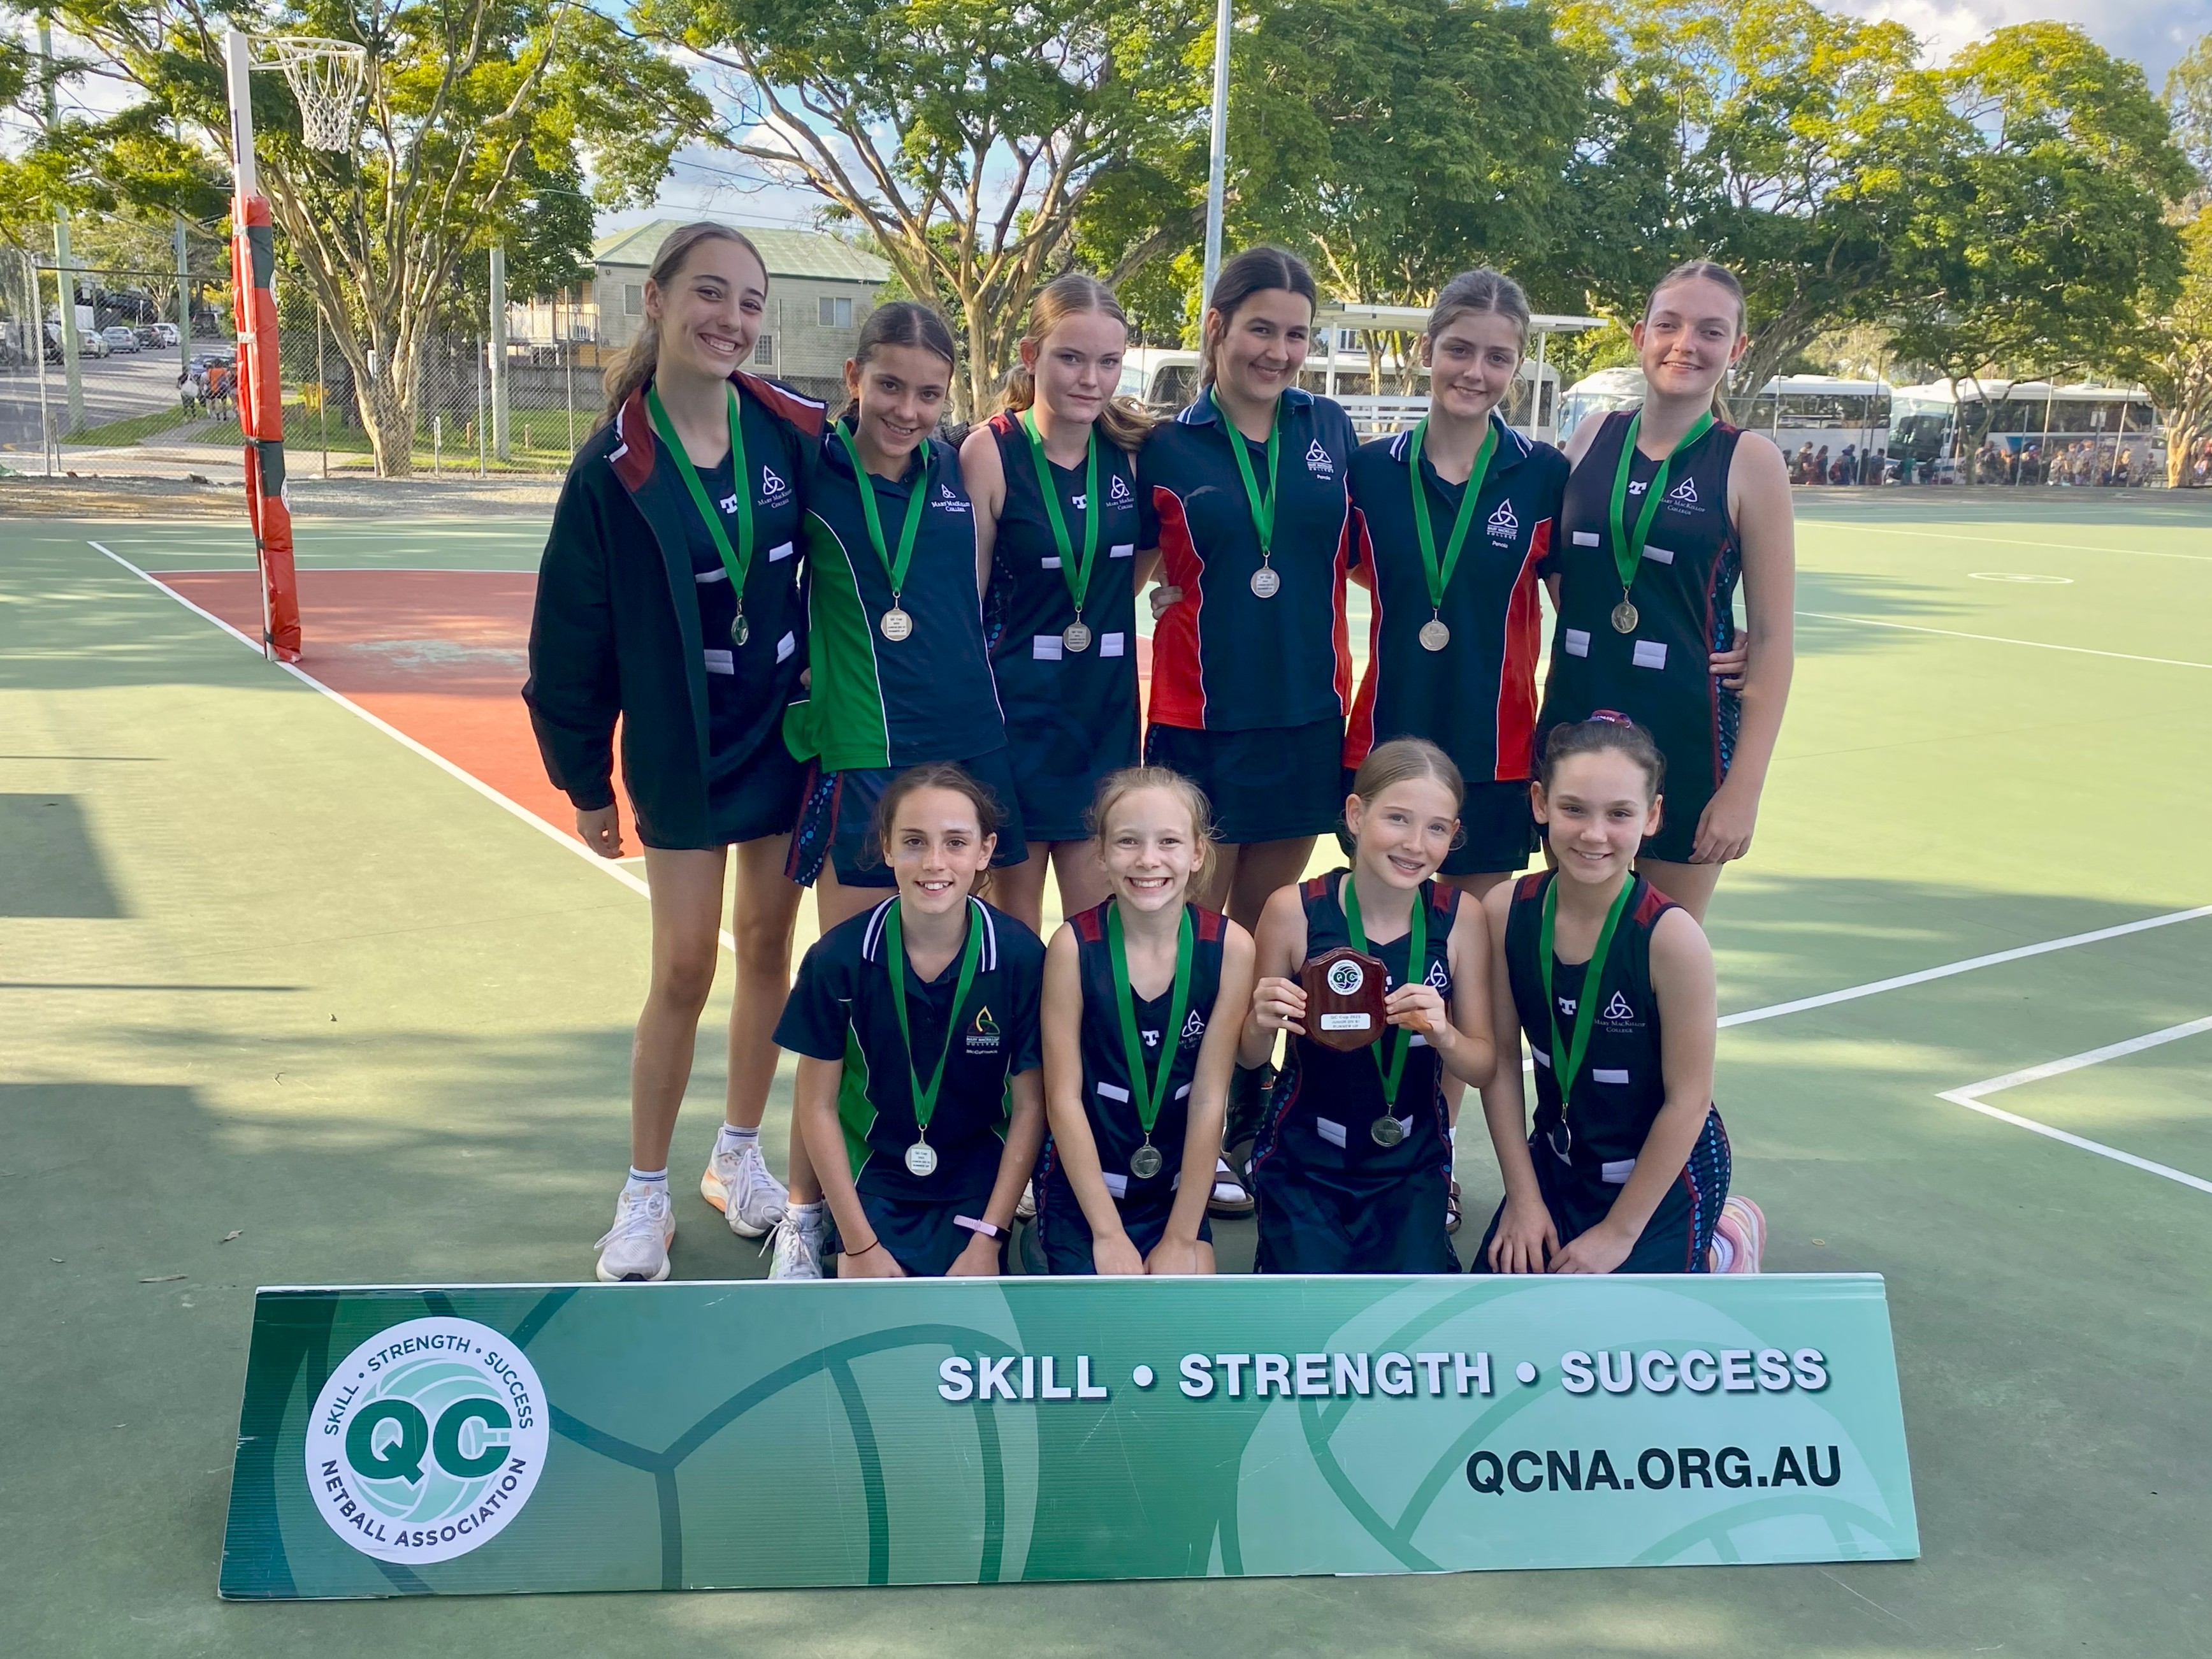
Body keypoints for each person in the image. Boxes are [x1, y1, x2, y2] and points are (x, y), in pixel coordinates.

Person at [524, 222, 823, 1283]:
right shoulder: (613, 469)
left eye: (749, 302)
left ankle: (736, 1154)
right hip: (684, 745)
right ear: (653, 301)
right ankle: (642, 1190)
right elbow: (571, 637)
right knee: (687, 962)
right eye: (709, 294)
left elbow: (902, 444)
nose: (730, 319)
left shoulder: (791, 430)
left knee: (768, 952)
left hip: (785, 737)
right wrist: (581, 777)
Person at [770, 300, 1030, 1275]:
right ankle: (804, 1213)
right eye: (888, 385)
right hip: (864, 751)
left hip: (969, 744)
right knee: (850, 990)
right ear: (852, 377)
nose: (907, 409)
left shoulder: (959, 470)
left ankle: (995, 1181)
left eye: (927, 392)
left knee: (995, 973)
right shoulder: (811, 464)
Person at [1136, 245, 1359, 1198]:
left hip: (1305, 720)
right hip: (1198, 728)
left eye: (1296, 334)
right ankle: (1167, 1114)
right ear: (1217, 326)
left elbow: (1370, 552)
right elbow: (1122, 570)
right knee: (1194, 938)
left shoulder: (1333, 429)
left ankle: (1241, 1121)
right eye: (1260, 327)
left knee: (1265, 934)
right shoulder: (1160, 444)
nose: (1278, 351)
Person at [1539, 259, 1796, 923]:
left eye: (1712, 331)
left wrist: (1744, 791)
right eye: (1670, 325)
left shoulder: (1751, 461)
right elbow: (1562, 571)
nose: (1687, 343)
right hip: (1576, 715)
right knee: (1567, 937)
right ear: (1640, 334)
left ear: (1736, 349)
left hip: (1686, 733)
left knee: (1659, 946)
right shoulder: (1593, 434)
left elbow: (1772, 638)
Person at [1474, 714, 1763, 1275]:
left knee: (1619, 1347)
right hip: (1560, 1161)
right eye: (1573, 808)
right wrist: (1524, 1200)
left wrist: (1618, 1233)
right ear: (1539, 802)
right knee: (1500, 1326)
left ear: (1651, 815)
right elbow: (1502, 1064)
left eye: (1619, 814)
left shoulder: (1672, 940)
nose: (1593, 834)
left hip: (1661, 1175)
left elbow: (1688, 1102)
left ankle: (1725, 1240)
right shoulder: (1504, 911)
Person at [777, 764, 1046, 1278]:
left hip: (976, 1175)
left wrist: (989, 1239)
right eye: (914, 841)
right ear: (886, 847)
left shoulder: (1020, 957)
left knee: (969, 1316)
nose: (934, 862)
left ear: (985, 851)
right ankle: (811, 1226)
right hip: (873, 1171)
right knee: (873, 1314)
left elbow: (1032, 1105)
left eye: (955, 843)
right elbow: (816, 1104)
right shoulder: (837, 957)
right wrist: (858, 1246)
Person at [1241, 739, 1496, 1273]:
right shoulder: (1294, 909)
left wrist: (1445, 1033)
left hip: (1410, 1161)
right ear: (1356, 815)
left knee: (1409, 1316)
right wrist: (1261, 1021)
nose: (1414, 844)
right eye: (1397, 819)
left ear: (1453, 834)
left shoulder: (1460, 917)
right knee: (1308, 1311)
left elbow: (1482, 1064)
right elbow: (1246, 1058)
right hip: (1304, 1160)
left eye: (1435, 827)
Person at [960, 275, 1151, 934]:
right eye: (1071, 357)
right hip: (1013, 723)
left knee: (1098, 933)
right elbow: (969, 600)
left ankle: (1081, 1044)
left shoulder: (1131, 451)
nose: (1090, 378)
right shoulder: (989, 450)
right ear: (1030, 353)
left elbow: (1134, 571)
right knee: (1014, 935)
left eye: (1108, 362)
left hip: (1103, 721)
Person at [1035, 768, 1256, 1274]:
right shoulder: (1072, 948)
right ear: (1101, 852)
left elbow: (1207, 1099)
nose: (1148, 860)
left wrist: (1181, 1235)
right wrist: (1108, 1234)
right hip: (1085, 1187)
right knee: (1100, 1317)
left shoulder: (1231, 949)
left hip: (1174, 1189)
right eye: (1128, 841)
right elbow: (1063, 1099)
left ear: (1198, 852)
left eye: (1169, 842)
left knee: (1183, 1305)